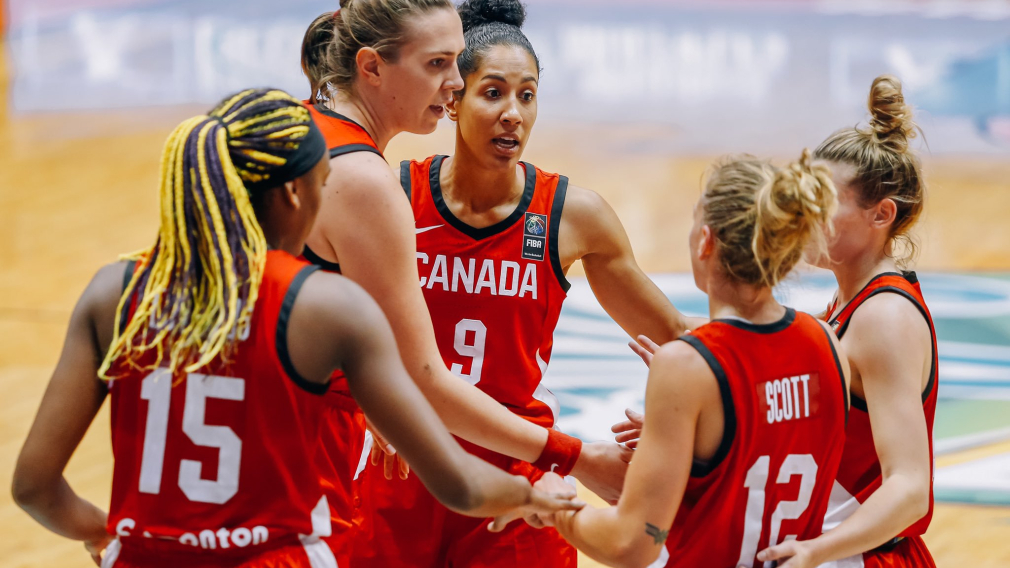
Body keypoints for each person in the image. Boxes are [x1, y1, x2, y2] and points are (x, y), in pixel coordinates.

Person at [11, 89, 581, 568]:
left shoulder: (115, 290)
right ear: (293, 193)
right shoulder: (325, 307)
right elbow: (455, 483)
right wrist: (534, 494)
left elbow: (33, 488)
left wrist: (106, 533)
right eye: (323, 184)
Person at [350, 1, 696, 566]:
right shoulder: (391, 196)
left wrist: (687, 411)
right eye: (493, 93)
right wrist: (365, 401)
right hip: (404, 461)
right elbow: (332, 321)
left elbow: (679, 336)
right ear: (454, 98)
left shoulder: (572, 216)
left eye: (527, 95)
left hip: (517, 469)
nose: (513, 113)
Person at [512, 151, 852, 568]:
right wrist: (685, 441)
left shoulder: (687, 366)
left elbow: (632, 544)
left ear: (704, 240)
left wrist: (558, 511)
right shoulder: (828, 342)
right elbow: (765, 452)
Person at [757, 76, 937, 568]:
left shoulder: (884, 318)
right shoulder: (847, 302)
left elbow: (910, 488)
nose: (802, 214)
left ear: (881, 215)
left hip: (865, 557)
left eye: (822, 201)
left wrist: (816, 550)